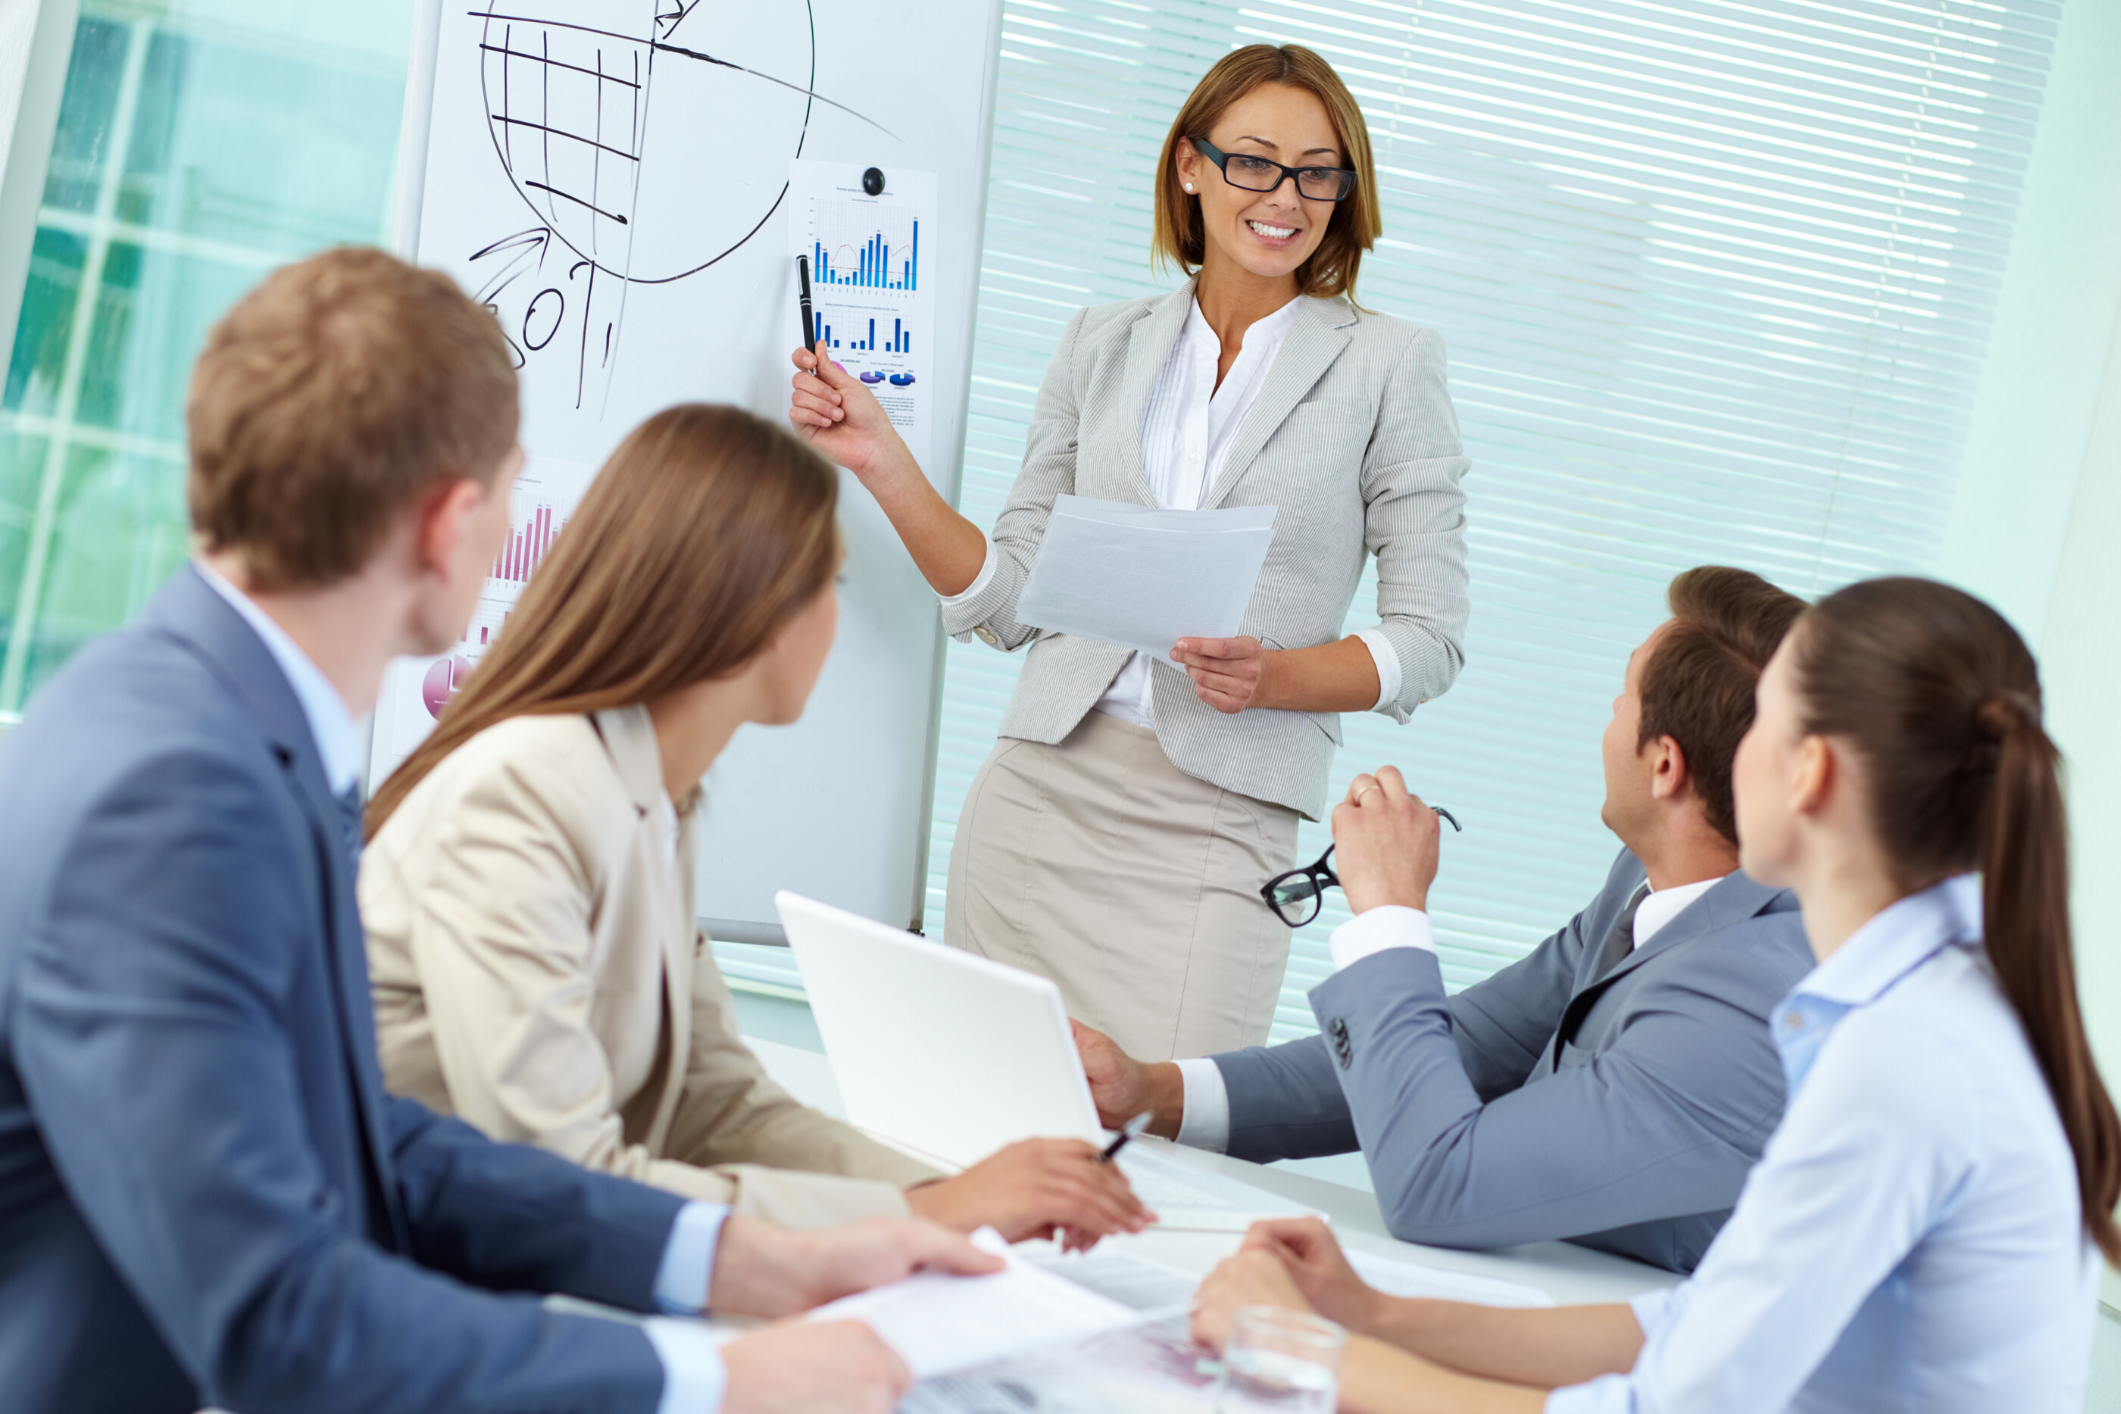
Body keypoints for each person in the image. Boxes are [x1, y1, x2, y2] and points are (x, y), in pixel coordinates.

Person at [0, 248, 1005, 1414]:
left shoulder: (209, 715)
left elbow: (371, 1137)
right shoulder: (176, 794)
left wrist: (750, 1258)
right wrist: (710, 1377)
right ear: (447, 524)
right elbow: (279, 1318)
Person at [1189, 576, 2119, 1413]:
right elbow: (1696, 1330)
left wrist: (1300, 1349)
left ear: (1807, 772)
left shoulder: (1893, 1057)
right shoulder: (1924, 1003)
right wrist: (1374, 1316)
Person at [788, 43, 1471, 1062]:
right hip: (1039, 796)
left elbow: (1430, 639)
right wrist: (881, 458)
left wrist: (1274, 676)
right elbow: (1010, 600)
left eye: (1317, 171)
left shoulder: (1389, 364)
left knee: (1155, 1156)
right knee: (969, 1114)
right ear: (1189, 166)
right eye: (1253, 160)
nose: (1285, 195)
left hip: (1221, 830)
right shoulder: (1098, 344)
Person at [361, 402, 1149, 1246]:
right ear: (750, 604)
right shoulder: (522, 796)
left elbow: (716, 1103)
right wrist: (922, 1214)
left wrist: (966, 1195)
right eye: (831, 585)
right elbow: (563, 1177)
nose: (835, 619)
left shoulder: (652, 793)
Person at [1074, 566, 1814, 1272]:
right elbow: (1476, 1043)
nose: (1608, 715)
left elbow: (1440, 1186)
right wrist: (1157, 1093)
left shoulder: (1754, 998)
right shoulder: (1654, 882)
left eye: (1621, 698)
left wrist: (1390, 910)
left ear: (1663, 767)